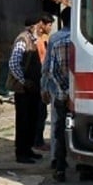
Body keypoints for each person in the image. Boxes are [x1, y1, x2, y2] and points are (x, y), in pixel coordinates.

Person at [45, 7, 93, 182]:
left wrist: (64, 91)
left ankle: (60, 169)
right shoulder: (88, 40)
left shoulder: (55, 40)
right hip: (83, 96)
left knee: (60, 132)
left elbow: (51, 70)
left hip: (62, 96)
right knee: (84, 130)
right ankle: (86, 168)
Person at [7, 15, 43, 164]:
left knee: (32, 120)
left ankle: (28, 150)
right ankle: (21, 153)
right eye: (39, 26)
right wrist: (24, 81)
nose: (40, 29)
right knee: (23, 121)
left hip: (31, 88)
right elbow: (14, 63)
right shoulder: (23, 40)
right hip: (23, 90)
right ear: (33, 26)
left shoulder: (32, 40)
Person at [33, 13, 55, 152]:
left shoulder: (47, 39)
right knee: (39, 113)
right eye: (49, 25)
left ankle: (38, 140)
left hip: (44, 79)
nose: (51, 27)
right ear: (42, 24)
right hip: (39, 78)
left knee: (42, 112)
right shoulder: (37, 40)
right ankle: (37, 141)